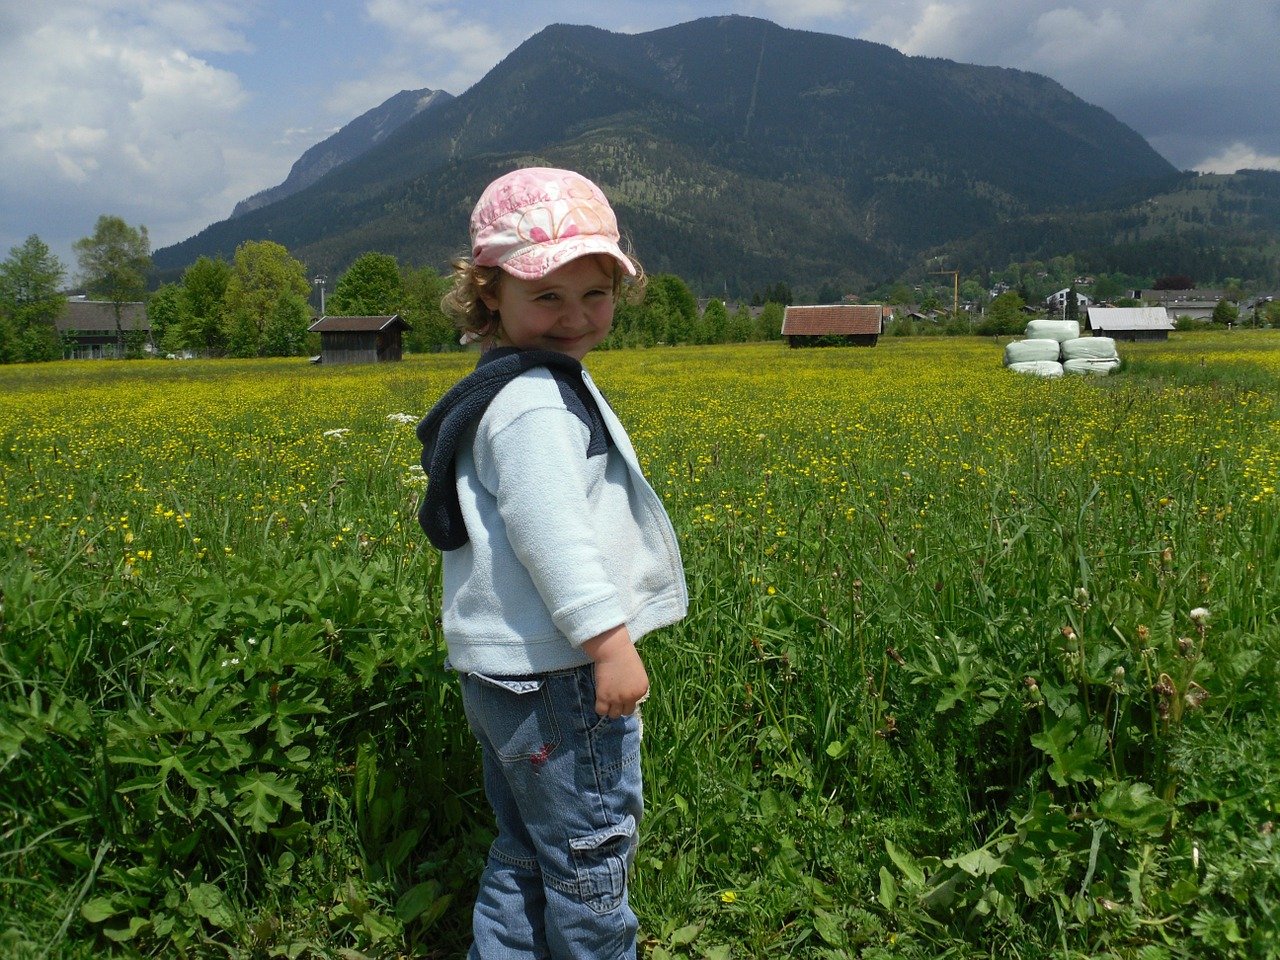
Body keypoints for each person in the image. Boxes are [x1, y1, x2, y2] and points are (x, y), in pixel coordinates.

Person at [416, 167, 688, 959]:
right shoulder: (534, 403)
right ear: (489, 293)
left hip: (506, 673)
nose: (575, 318)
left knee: (528, 847)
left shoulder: (508, 383)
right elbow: (551, 536)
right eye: (547, 297)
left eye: (594, 294)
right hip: (559, 675)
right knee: (590, 861)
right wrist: (608, 644)